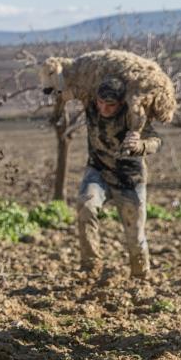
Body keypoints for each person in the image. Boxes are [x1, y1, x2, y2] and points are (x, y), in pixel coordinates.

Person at [76, 76, 162, 278]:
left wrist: (141, 145)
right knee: (85, 206)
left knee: (135, 232)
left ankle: (140, 275)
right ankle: (90, 266)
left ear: (121, 103)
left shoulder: (134, 117)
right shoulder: (90, 107)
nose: (104, 108)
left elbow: (156, 141)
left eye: (110, 105)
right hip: (99, 171)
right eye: (100, 103)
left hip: (129, 178)